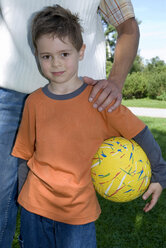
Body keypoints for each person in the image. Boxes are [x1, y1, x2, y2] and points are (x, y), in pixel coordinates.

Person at [12, 6, 166, 248]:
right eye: (46, 56)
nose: (55, 63)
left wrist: (160, 174)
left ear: (81, 52)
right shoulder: (33, 102)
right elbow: (23, 154)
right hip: (35, 208)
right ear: (36, 55)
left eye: (64, 54)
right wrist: (22, 196)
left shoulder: (101, 99)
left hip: (78, 215)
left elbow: (141, 133)